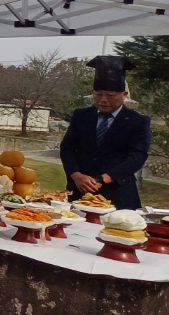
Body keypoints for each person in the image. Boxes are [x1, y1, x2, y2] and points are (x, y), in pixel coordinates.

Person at [60, 55, 151, 210]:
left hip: (118, 194)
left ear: (124, 96)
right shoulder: (81, 115)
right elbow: (67, 148)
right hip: (79, 191)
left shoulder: (138, 121)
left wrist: (104, 178)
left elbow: (137, 156)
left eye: (110, 95)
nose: (103, 100)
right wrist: (76, 175)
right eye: (98, 94)